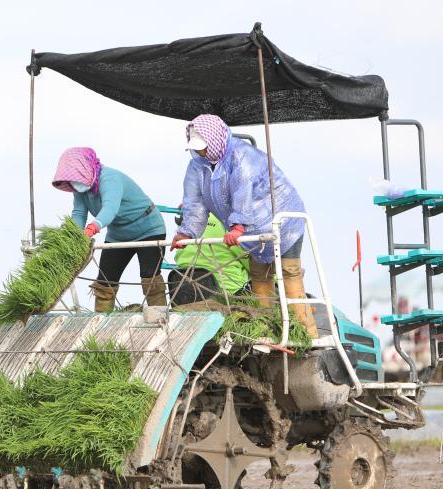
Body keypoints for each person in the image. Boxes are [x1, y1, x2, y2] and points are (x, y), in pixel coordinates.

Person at [169, 114, 318, 337]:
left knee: (289, 274)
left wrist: (238, 225)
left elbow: (243, 191)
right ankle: (267, 331)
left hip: (282, 222)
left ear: (214, 140)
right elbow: (195, 202)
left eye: (204, 148)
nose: (201, 152)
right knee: (260, 277)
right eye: (197, 149)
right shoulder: (197, 167)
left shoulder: (241, 156)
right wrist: (186, 233)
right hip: (252, 233)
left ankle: (306, 334)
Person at [52, 147, 167, 312]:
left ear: (86, 169)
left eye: (77, 177)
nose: (75, 183)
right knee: (105, 281)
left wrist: (92, 227)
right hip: (118, 234)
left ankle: (160, 317)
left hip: (148, 228)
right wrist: (73, 237)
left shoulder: (109, 179)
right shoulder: (79, 188)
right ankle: (101, 318)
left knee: (150, 277)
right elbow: (78, 213)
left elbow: (110, 208)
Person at [168, 212, 250, 306]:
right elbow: (253, 264)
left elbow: (179, 257)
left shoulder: (186, 227)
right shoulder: (230, 225)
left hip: (185, 297)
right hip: (228, 295)